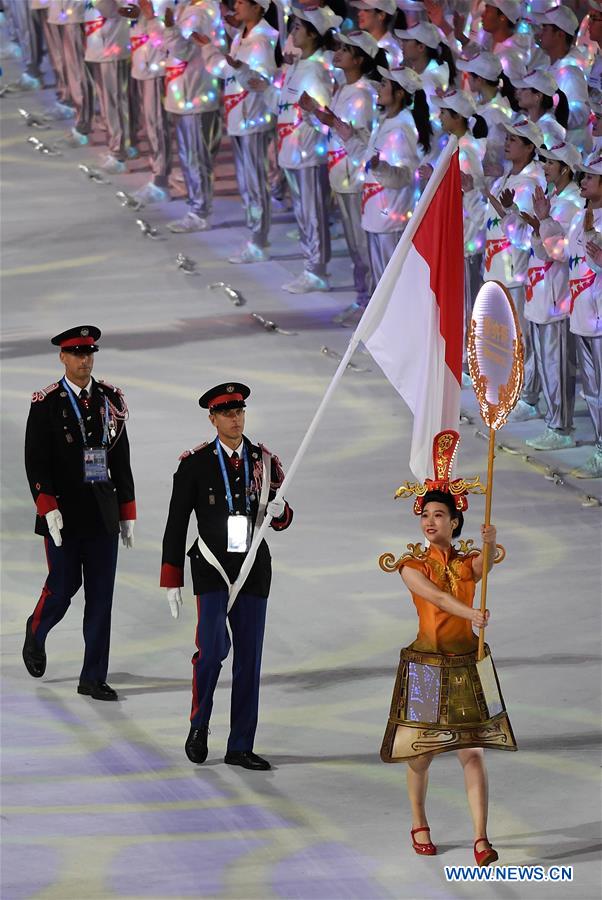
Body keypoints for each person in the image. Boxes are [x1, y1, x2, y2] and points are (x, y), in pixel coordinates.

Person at [379, 430, 516, 867]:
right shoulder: (411, 566)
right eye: (427, 516)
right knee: (423, 752)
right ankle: (419, 821)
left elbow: (486, 561)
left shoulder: (466, 563)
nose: (431, 522)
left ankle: (480, 837)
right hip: (424, 667)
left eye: (440, 515)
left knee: (472, 752)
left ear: (455, 522)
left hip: (465, 665)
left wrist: (491, 539)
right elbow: (436, 599)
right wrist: (470, 614)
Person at [160, 382, 293, 769]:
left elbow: (282, 521)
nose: (236, 418)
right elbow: (175, 523)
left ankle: (240, 745)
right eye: (227, 413)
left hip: (252, 567)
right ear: (213, 418)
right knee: (212, 649)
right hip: (212, 567)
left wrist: (281, 510)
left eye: (240, 411)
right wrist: (172, 578)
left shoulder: (264, 461)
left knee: (249, 659)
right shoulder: (195, 463)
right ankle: (199, 726)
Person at [22, 326, 136, 701]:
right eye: (76, 353)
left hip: (102, 514)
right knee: (63, 587)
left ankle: (93, 677)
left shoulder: (110, 400)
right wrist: (47, 506)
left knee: (101, 598)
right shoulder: (46, 404)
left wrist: (127, 511)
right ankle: (36, 631)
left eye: (89, 353)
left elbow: (120, 457)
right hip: (64, 517)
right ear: (63, 357)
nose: (84, 360)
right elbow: (35, 463)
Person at [521, 142, 582, 451]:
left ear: (566, 168)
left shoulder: (571, 203)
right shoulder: (555, 199)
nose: (544, 165)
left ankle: (561, 427)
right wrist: (537, 225)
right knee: (546, 363)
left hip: (557, 297)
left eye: (551, 162)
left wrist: (543, 222)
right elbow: (540, 247)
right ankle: (551, 419)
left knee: (556, 364)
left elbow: (561, 253)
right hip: (541, 292)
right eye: (543, 160)